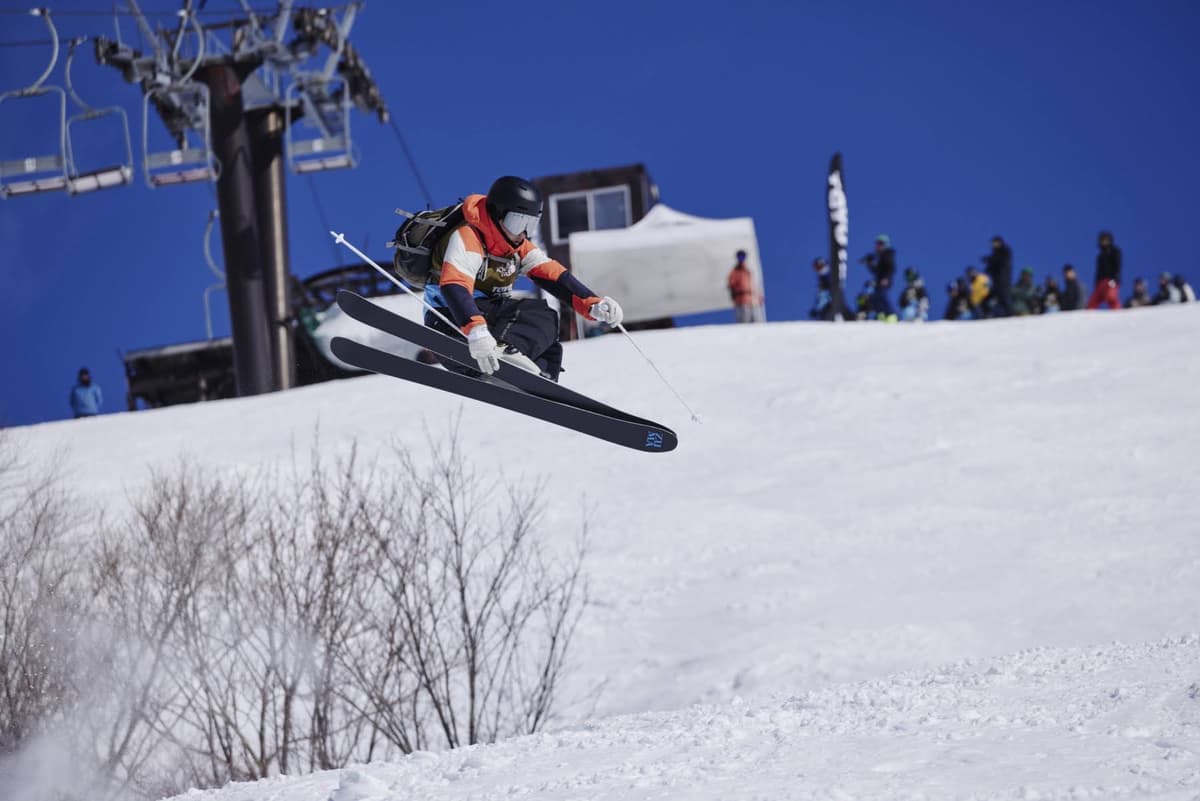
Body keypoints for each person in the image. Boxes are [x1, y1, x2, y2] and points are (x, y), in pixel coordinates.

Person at [424, 176, 622, 381]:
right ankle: (507, 357)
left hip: (484, 333)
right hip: (452, 323)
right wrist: (476, 331)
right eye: (517, 222)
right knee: (537, 315)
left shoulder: (517, 247)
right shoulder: (468, 236)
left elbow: (553, 276)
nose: (523, 233)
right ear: (497, 214)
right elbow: (454, 285)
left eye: (530, 224)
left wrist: (592, 303)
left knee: (548, 335)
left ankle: (541, 380)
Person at [1086, 230, 1122, 310]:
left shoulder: (1115, 251)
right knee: (1092, 302)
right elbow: (1098, 271)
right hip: (1101, 282)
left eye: (1105, 239)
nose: (1103, 242)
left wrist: (1115, 278)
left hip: (1111, 280)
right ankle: (1089, 318)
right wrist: (1096, 282)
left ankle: (1118, 313)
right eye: (1101, 240)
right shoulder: (1100, 256)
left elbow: (1117, 265)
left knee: (1111, 297)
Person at [727, 249, 761, 323]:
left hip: (753, 300)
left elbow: (754, 285)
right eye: (740, 257)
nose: (741, 259)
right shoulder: (735, 272)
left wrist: (759, 297)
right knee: (744, 321)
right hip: (741, 301)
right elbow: (731, 284)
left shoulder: (748, 271)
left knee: (756, 321)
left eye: (743, 257)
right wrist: (734, 294)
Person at [983, 235, 1013, 317]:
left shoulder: (1004, 250)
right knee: (988, 299)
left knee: (1004, 297)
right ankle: (988, 315)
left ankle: (1009, 314)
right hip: (996, 281)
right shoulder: (995, 252)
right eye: (993, 243)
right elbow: (992, 266)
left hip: (1003, 280)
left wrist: (989, 260)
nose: (993, 245)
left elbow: (1000, 262)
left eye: (995, 243)